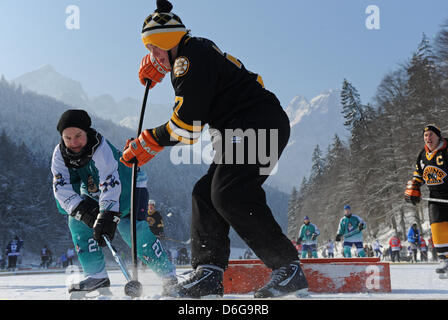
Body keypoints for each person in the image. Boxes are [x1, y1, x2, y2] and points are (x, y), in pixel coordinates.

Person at [120, 0, 308, 298]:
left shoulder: (188, 61)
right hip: (247, 126)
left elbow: (187, 126)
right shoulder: (192, 52)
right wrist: (161, 66)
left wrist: (148, 142)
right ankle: (208, 273)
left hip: (256, 124)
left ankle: (288, 268)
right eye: (149, 52)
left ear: (169, 42)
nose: (152, 56)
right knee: (205, 193)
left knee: (230, 192)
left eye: (155, 49)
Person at [51, 109, 176, 297]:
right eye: (68, 138)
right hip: (96, 193)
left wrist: (107, 216)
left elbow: (111, 182)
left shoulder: (101, 148)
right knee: (77, 222)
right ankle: (96, 275)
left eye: (78, 136)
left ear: (87, 132)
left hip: (130, 186)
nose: (73, 143)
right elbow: (61, 189)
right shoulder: (60, 155)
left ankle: (168, 276)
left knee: (130, 229)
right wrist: (82, 211)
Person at [404, 125, 448, 274]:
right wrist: (414, 187)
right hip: (435, 198)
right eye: (425, 136)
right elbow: (419, 174)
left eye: (431, 135)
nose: (428, 138)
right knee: (437, 228)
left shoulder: (446, 150)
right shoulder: (422, 155)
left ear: (438, 136)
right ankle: (445, 260)